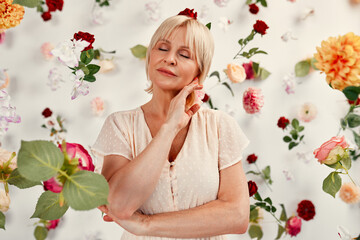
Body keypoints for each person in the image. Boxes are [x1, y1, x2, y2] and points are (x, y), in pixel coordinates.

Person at [91, 8, 250, 240]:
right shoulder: (120, 125)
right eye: (162, 48)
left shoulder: (219, 126)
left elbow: (236, 217)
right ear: (151, 56)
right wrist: (168, 129)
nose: (170, 58)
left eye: (184, 55)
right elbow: (119, 205)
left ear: (199, 72)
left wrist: (145, 224)